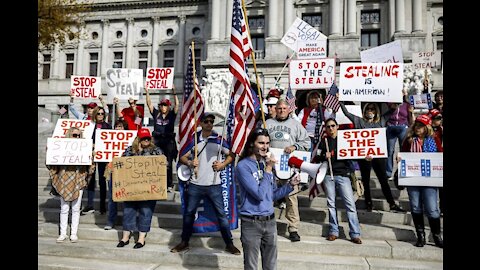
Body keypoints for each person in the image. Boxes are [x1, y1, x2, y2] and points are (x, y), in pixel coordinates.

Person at [170, 113, 241, 255]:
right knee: (189, 214)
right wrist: (190, 162)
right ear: (201, 123)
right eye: (206, 121)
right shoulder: (193, 139)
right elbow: (182, 157)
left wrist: (222, 164)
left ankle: (229, 243)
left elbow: (232, 155)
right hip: (196, 184)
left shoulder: (219, 140)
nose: (209, 123)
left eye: (211, 121)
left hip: (214, 184)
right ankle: (184, 242)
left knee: (221, 215)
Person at [236, 127, 301, 270]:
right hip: (251, 222)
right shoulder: (243, 166)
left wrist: (290, 185)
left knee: (271, 266)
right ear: (252, 144)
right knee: (251, 266)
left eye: (267, 143)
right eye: (261, 143)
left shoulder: (266, 164)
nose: (265, 147)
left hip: (270, 221)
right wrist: (268, 169)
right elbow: (258, 195)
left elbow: (271, 195)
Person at [339, 102, 405, 213]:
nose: (370, 111)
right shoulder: (359, 121)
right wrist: (340, 101)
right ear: (364, 111)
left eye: (373, 109)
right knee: (366, 180)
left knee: (383, 180)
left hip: (378, 156)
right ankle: (368, 203)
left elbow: (392, 111)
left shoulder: (381, 121)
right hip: (364, 156)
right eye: (368, 109)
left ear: (376, 111)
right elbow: (346, 113)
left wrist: (400, 99)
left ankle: (392, 204)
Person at [265, 99, 310, 242]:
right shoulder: (267, 123)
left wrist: (295, 146)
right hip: (271, 166)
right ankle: (266, 226)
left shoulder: (296, 125)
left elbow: (307, 142)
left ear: (289, 109)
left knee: (291, 198)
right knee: (267, 196)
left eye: (285, 108)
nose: (282, 110)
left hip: (288, 167)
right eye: (279, 108)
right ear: (275, 109)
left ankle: (293, 228)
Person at [399, 114, 443, 248]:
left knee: (432, 209)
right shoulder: (409, 140)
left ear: (427, 127)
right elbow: (403, 155)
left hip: (429, 180)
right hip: (413, 178)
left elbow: (440, 155)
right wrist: (399, 160)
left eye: (421, 126)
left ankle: (436, 236)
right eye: (416, 125)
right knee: (416, 206)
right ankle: (421, 236)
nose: (418, 128)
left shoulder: (433, 140)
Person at [316, 118, 362, 244]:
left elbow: (355, 154)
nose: (330, 128)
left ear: (337, 127)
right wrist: (324, 156)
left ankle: (355, 233)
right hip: (328, 175)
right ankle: (333, 231)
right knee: (331, 204)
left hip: (343, 175)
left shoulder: (345, 140)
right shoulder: (323, 141)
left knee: (350, 205)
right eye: (328, 126)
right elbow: (317, 156)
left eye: (333, 126)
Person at [116, 127, 163, 249]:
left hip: (149, 189)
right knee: (128, 211)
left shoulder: (156, 150)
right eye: (144, 138)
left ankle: (141, 238)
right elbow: (121, 163)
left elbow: (163, 165)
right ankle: (125, 237)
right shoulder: (130, 150)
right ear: (138, 139)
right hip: (131, 188)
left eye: (148, 138)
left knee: (145, 211)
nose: (146, 140)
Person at [47, 127, 96, 243]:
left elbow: (91, 168)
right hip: (64, 180)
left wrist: (91, 157)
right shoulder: (61, 148)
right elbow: (51, 164)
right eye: (74, 135)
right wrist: (50, 151)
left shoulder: (84, 148)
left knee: (75, 208)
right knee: (64, 208)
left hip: (78, 180)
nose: (77, 137)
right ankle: (62, 233)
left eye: (79, 135)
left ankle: (73, 233)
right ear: (69, 135)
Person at [146, 86, 179, 192]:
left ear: (168, 107)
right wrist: (147, 92)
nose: (163, 107)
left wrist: (174, 92)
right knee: (157, 161)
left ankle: (169, 184)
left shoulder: (171, 115)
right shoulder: (156, 114)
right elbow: (149, 104)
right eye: (162, 105)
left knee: (168, 163)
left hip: (168, 141)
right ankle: (157, 182)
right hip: (157, 140)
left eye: (165, 105)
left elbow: (177, 105)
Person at [81, 106, 112, 215]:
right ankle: (89, 205)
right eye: (98, 113)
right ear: (95, 114)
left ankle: (102, 206)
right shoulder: (89, 126)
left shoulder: (107, 126)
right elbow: (84, 139)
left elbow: (110, 141)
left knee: (103, 181)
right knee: (90, 180)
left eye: (102, 113)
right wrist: (92, 145)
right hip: (91, 155)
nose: (100, 115)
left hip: (103, 156)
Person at [104, 119, 129, 230]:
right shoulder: (110, 139)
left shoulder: (130, 141)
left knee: (125, 197)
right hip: (113, 171)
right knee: (111, 198)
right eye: (117, 126)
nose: (118, 128)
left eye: (121, 126)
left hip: (125, 172)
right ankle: (110, 221)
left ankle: (126, 220)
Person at [384, 98, 414, 179]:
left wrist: (410, 128)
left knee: (403, 149)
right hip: (391, 127)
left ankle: (403, 172)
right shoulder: (389, 102)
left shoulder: (407, 104)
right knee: (390, 150)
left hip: (403, 127)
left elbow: (410, 118)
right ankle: (388, 172)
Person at [429, 109, 444, 216]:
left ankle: (442, 209)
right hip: (430, 159)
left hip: (439, 159)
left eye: (440, 118)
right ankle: (431, 208)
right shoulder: (427, 129)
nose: (440, 120)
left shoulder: (441, 129)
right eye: (438, 118)